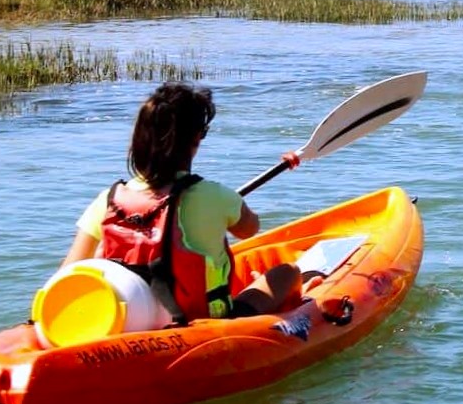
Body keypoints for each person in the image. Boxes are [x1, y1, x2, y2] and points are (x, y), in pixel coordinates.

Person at [61, 83, 301, 323]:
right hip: (202, 322)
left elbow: (67, 273)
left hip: (129, 322)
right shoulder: (216, 195)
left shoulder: (109, 199)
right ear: (196, 138)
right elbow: (250, 229)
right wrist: (230, 206)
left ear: (139, 139)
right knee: (287, 273)